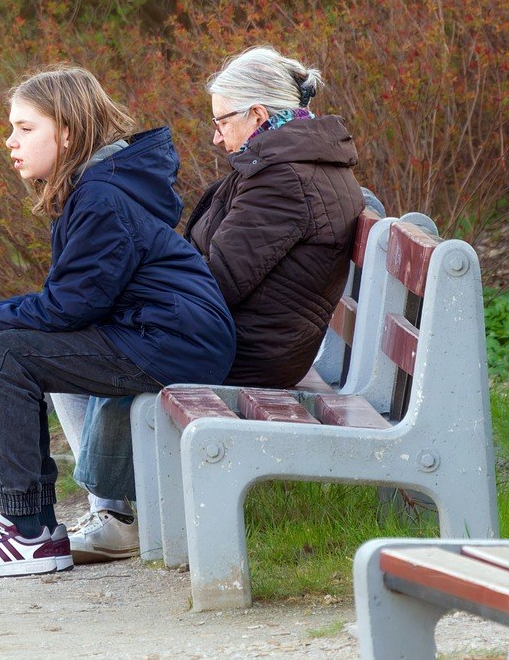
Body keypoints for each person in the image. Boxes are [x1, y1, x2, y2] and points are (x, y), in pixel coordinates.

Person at [0, 64, 236, 580]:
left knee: (9, 353)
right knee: (18, 343)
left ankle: (28, 533)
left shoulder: (101, 197)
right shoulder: (100, 187)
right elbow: (72, 301)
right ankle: (53, 526)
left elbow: (68, 307)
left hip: (171, 343)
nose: (9, 141)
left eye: (24, 128)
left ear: (67, 133)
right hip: (168, 337)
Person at [60, 45, 362, 565]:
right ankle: (114, 510)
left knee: (76, 352)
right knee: (75, 339)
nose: (215, 135)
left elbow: (215, 283)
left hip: (249, 351)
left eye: (222, 121)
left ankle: (116, 513)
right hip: (250, 335)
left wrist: (126, 305)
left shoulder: (283, 181)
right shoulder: (282, 166)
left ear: (258, 116)